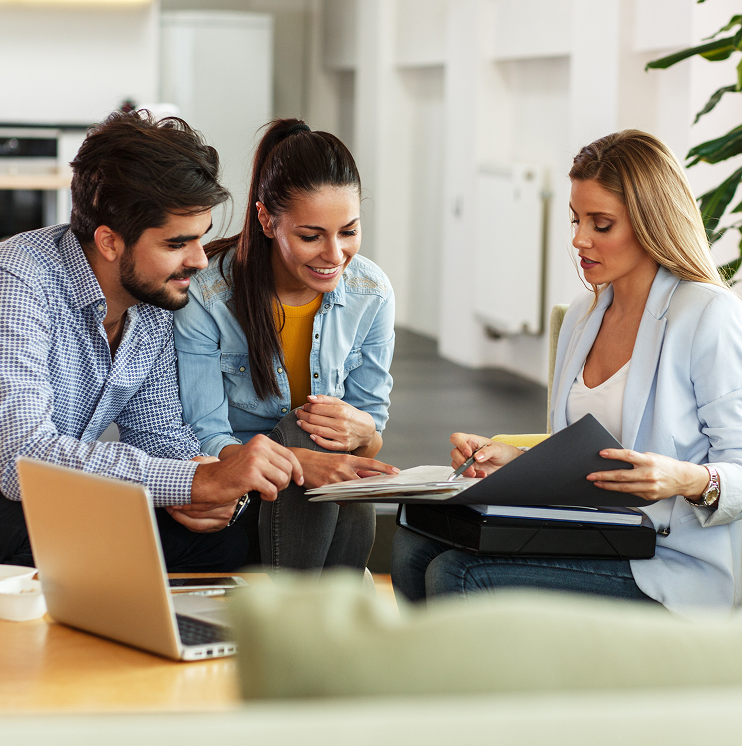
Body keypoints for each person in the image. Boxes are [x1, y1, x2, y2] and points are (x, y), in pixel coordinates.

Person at [391, 129, 742, 618]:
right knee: (415, 547)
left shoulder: (707, 315)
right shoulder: (584, 314)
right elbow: (581, 457)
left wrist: (684, 479)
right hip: (597, 537)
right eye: (577, 220)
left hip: (670, 562)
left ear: (650, 223)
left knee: (458, 573)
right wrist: (516, 461)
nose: (579, 239)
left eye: (601, 224)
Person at [0, 110, 303, 573]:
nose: (200, 261)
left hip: (53, 503)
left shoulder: (155, 304)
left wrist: (213, 488)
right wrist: (192, 481)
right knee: (26, 519)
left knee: (223, 538)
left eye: (200, 240)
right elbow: (21, 458)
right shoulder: (20, 278)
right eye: (177, 244)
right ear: (109, 242)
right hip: (11, 497)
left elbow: (159, 434)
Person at [174, 118, 398, 573]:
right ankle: (323, 616)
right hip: (240, 490)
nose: (335, 255)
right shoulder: (208, 293)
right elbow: (206, 435)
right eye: (311, 236)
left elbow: (368, 438)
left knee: (330, 443)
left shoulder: (371, 292)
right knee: (304, 431)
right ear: (266, 220)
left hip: (321, 495)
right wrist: (300, 460)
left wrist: (363, 433)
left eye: (349, 231)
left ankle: (314, 620)